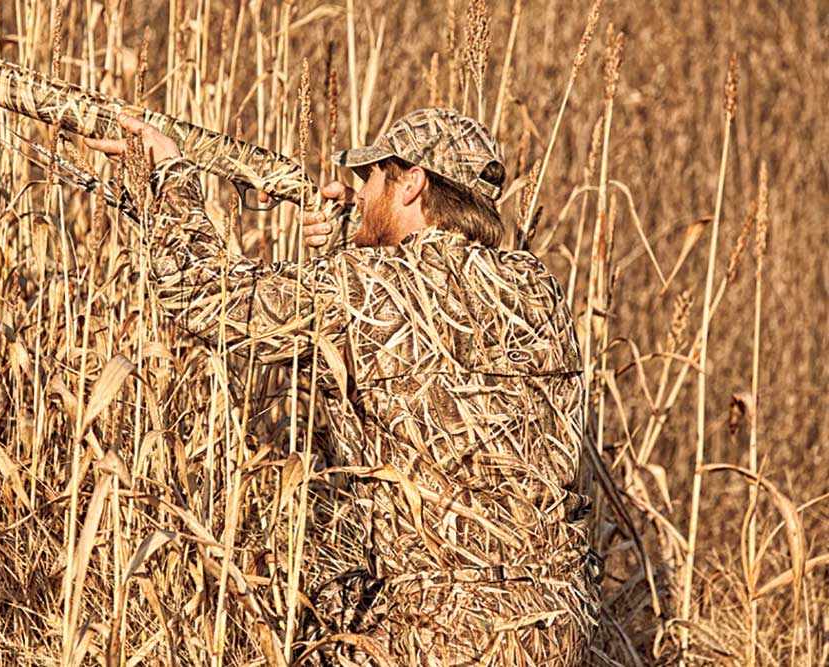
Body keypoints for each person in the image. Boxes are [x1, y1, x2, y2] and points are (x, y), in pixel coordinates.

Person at [87, 108, 601, 666]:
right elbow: (418, 372)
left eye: (372, 177)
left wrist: (170, 174)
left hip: (443, 631)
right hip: (554, 620)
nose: (358, 193)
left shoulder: (366, 287)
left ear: (412, 183)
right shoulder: (536, 289)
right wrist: (343, 251)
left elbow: (202, 296)